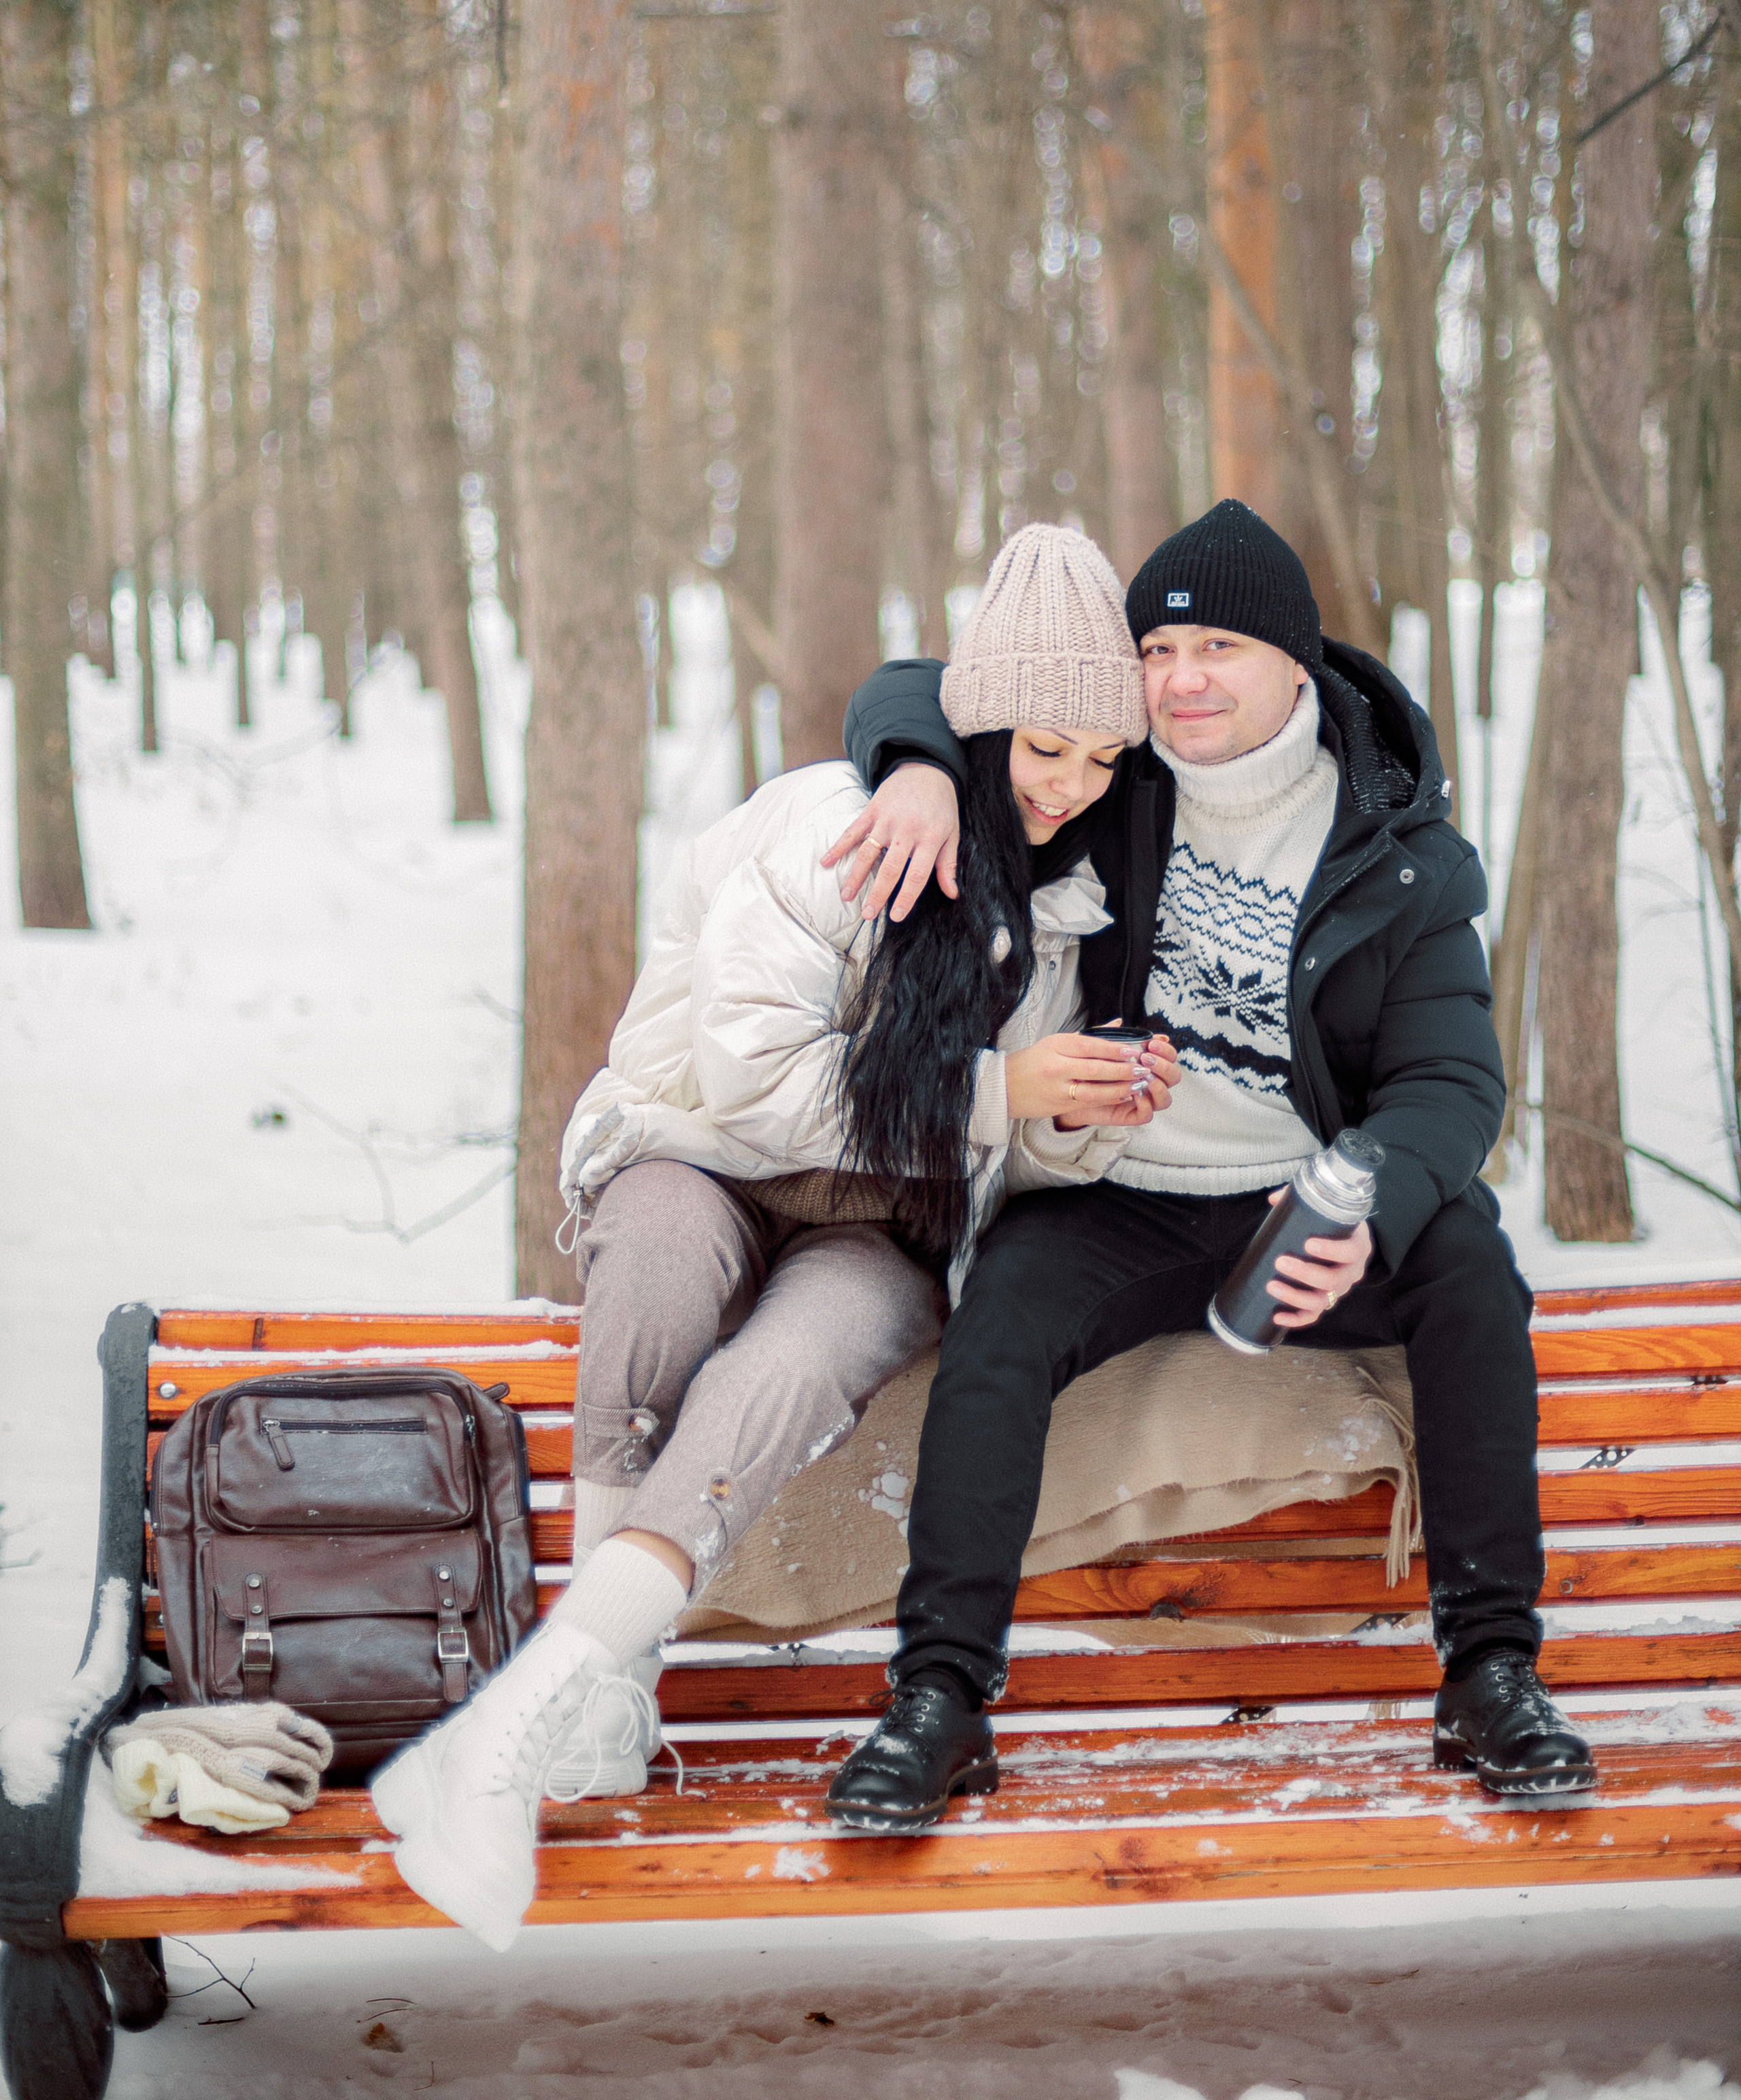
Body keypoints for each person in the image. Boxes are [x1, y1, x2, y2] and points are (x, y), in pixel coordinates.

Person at [371, 522, 1177, 1948]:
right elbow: (752, 1080)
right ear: (978, 719)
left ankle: (516, 1722)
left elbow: (1029, 1164)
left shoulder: (1072, 909)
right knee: (663, 1296)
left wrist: (1083, 1112)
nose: (1069, 787)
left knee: (782, 1379)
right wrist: (997, 1091)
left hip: (884, 1222)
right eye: (1045, 746)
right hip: (698, 1153)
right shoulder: (836, 831)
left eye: (1102, 760)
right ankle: (601, 1692)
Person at [821, 497, 1595, 1835]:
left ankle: (1487, 1672)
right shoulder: (1115, 777)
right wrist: (918, 765)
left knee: (1469, 1265)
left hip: (1306, 1199)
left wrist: (1376, 1199)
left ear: (1295, 662)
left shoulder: (1397, 852)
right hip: (1118, 1190)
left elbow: (1449, 1082)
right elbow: (925, 684)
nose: (1179, 685)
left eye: (1218, 652)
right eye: (1157, 656)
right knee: (999, 1311)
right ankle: (938, 1696)